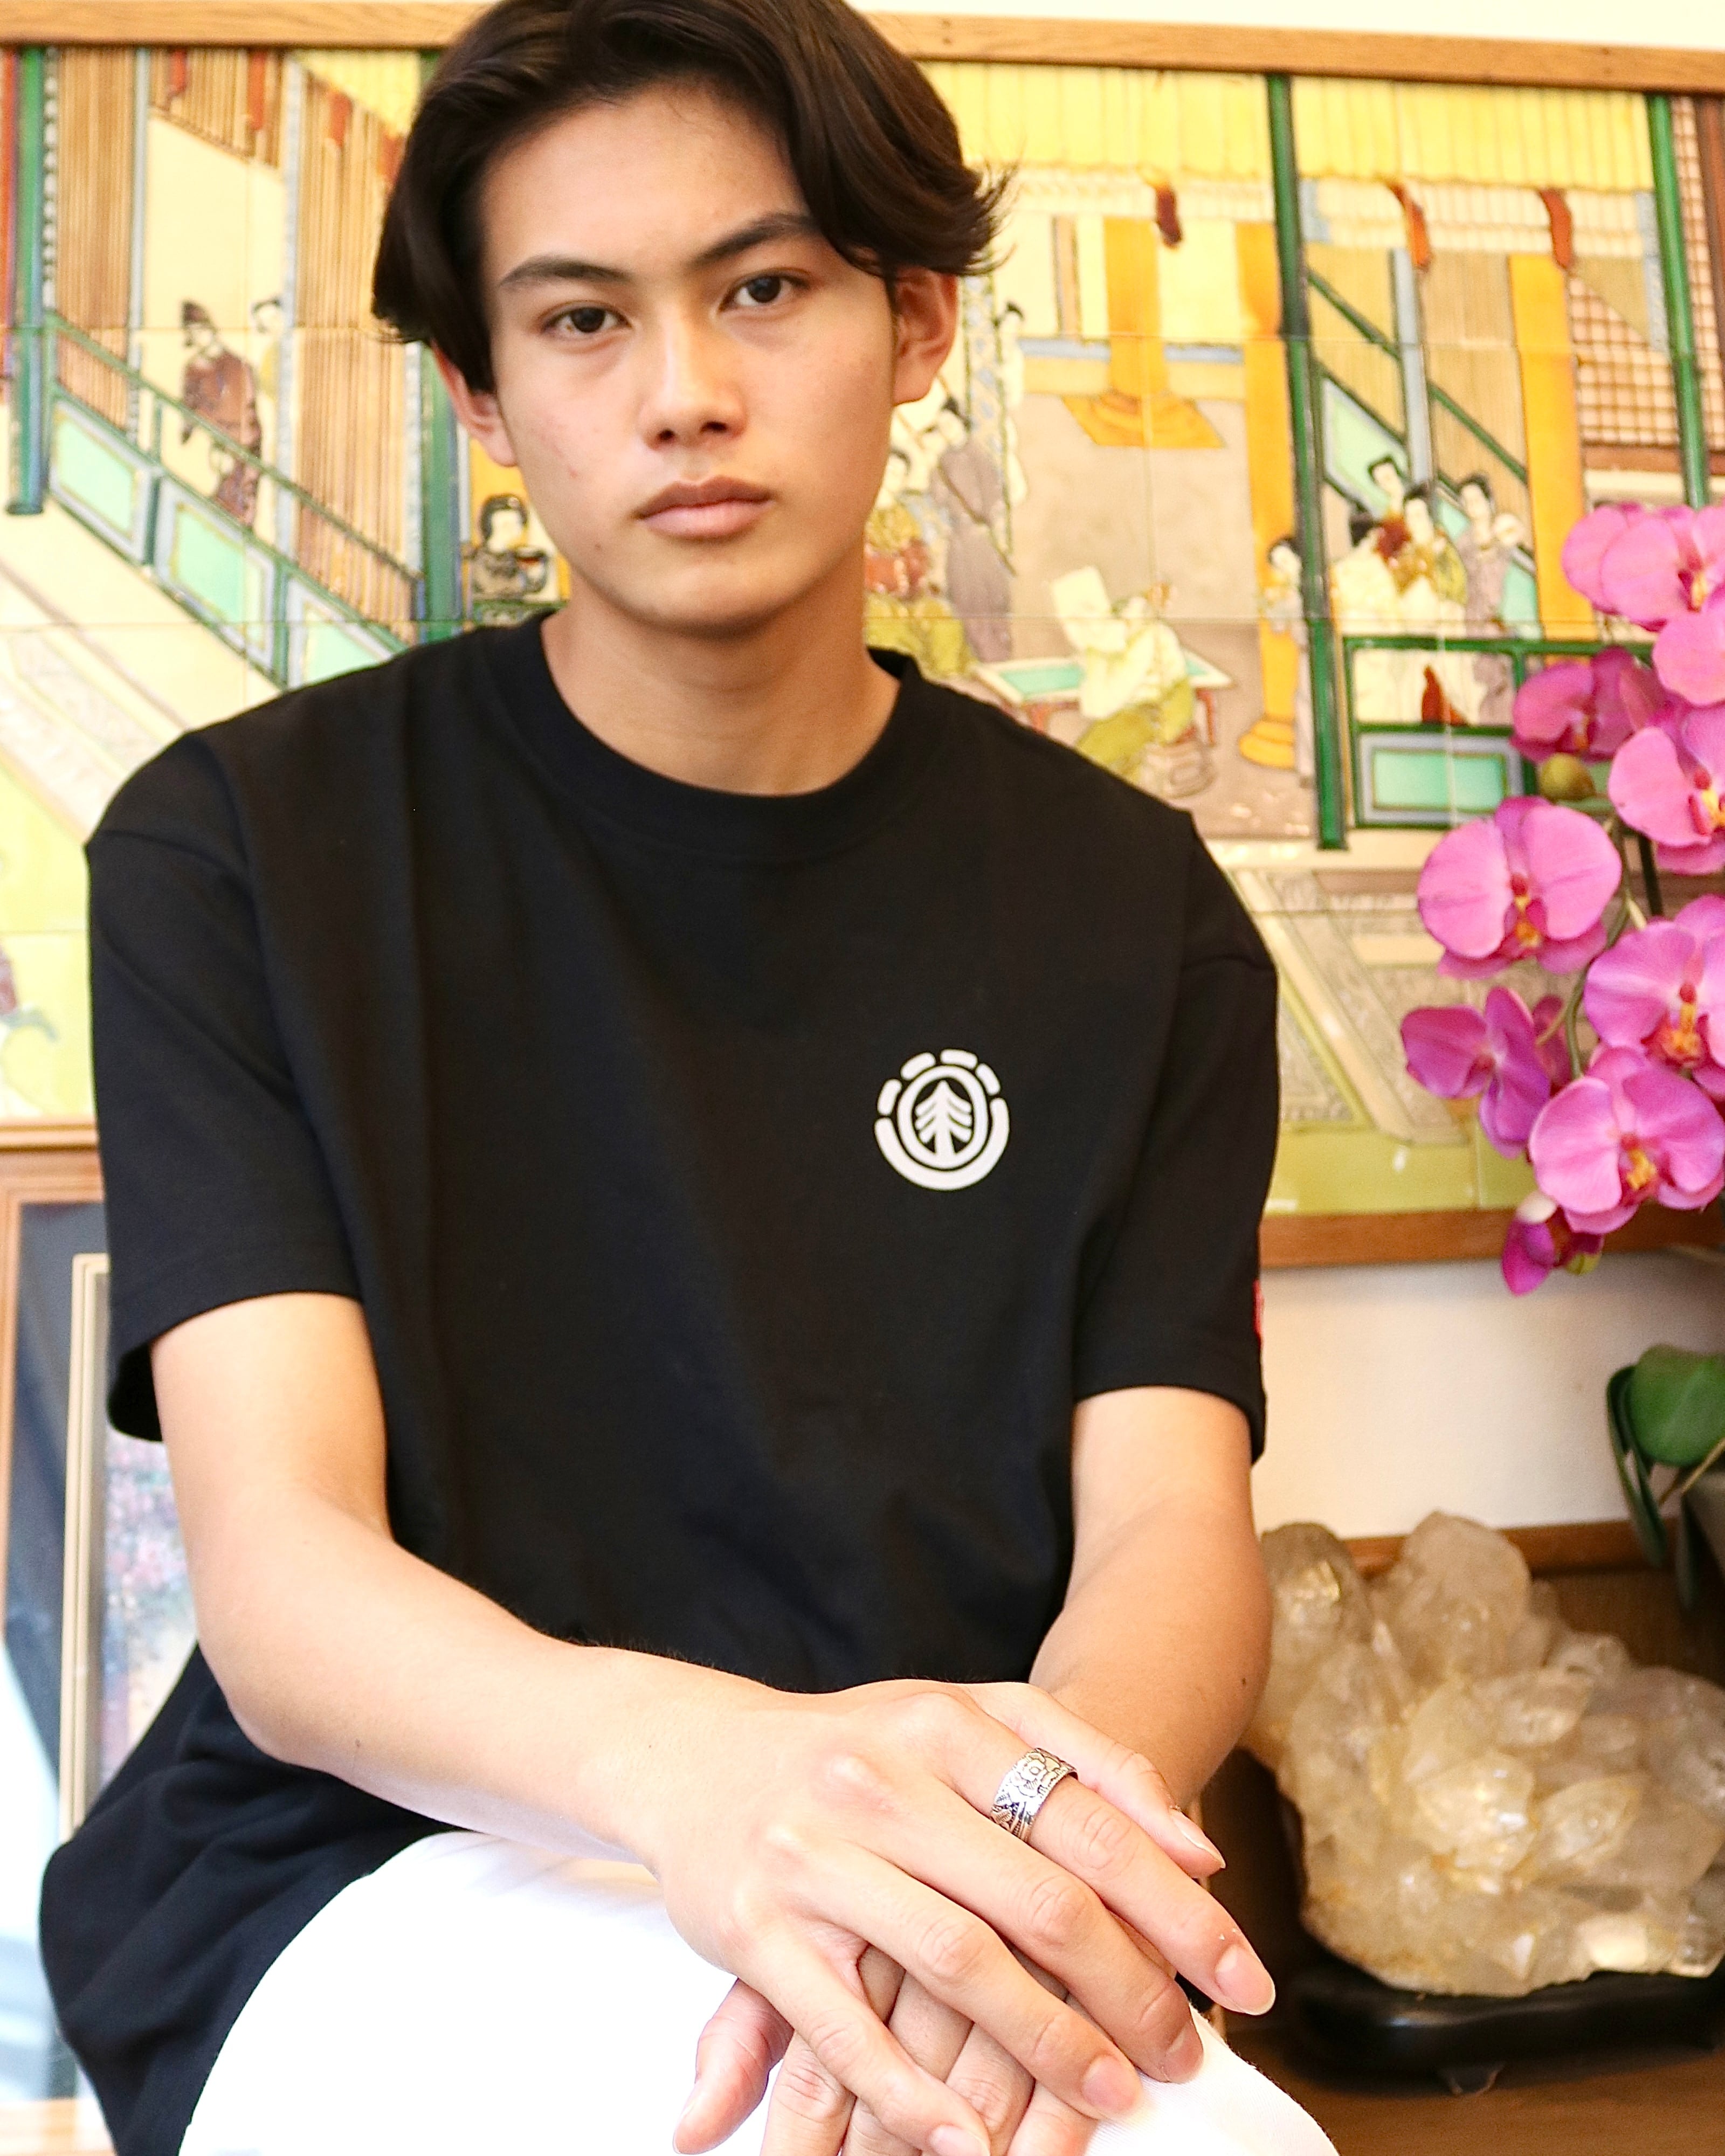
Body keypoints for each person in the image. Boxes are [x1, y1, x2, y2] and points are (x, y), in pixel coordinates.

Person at [42, 5, 1284, 2154]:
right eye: (582, 320)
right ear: (482, 388)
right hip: (387, 1852)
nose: (684, 390)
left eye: (764, 288)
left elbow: (1171, 1522)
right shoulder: (240, 851)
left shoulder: (1130, 908)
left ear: (914, 320)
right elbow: (283, 1575)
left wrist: (1030, 1851)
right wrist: (718, 1781)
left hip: (948, 1829)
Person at [179, 301, 262, 527]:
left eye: (200, 330)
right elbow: (187, 416)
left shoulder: (238, 367)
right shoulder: (193, 370)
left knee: (238, 503)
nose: (197, 338)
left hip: (239, 446)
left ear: (210, 329)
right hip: (209, 444)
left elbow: (246, 414)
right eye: (191, 333)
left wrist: (226, 445)